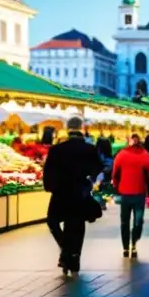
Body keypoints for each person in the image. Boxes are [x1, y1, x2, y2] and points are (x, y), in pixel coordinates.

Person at [42, 116, 103, 274]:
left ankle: (65, 250)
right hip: (80, 192)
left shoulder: (56, 149)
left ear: (67, 128)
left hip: (61, 192)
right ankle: (74, 257)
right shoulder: (89, 149)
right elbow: (98, 167)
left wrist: (50, 187)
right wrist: (91, 180)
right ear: (81, 127)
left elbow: (48, 171)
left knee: (53, 221)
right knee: (77, 226)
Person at [112, 134, 149, 258]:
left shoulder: (121, 154)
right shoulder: (145, 154)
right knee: (138, 222)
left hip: (125, 193)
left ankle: (125, 247)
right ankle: (133, 244)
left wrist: (116, 187)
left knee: (124, 221)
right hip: (139, 192)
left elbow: (115, 173)